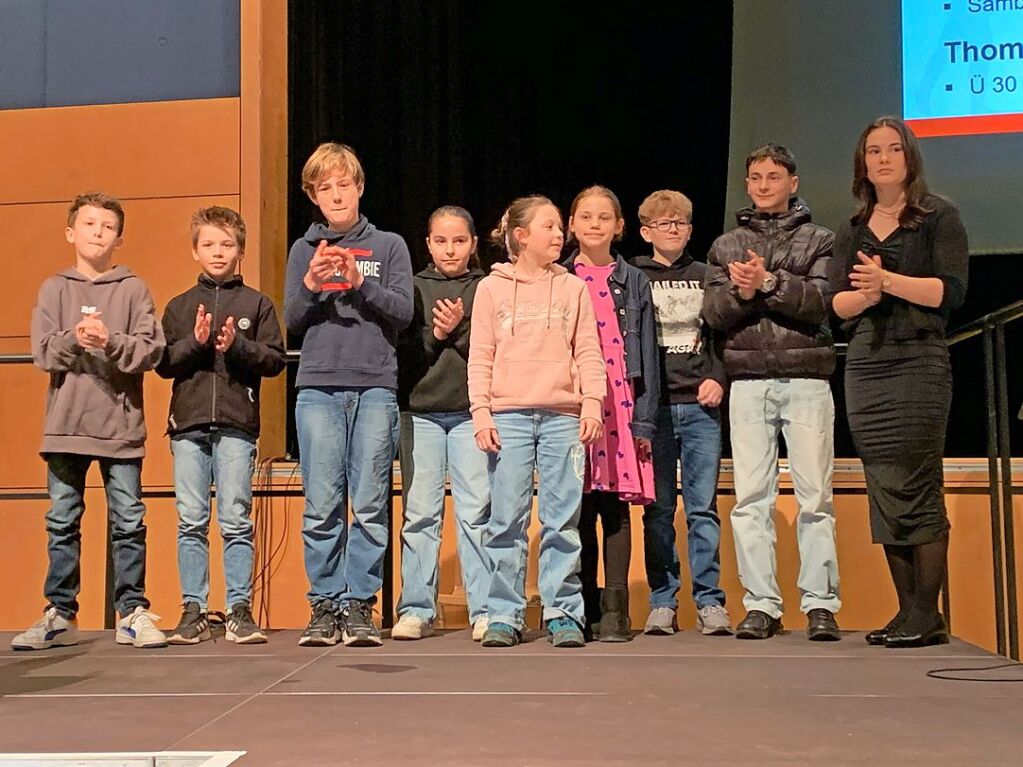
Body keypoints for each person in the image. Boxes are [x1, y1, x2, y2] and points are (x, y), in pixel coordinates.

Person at [830, 116, 968, 648]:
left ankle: (927, 613)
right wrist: (865, 296)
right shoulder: (853, 227)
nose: (883, 159)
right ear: (862, 163)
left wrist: (888, 281)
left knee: (917, 482)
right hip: (867, 365)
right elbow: (836, 306)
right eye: (873, 151)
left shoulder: (938, 217)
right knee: (884, 485)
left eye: (893, 149)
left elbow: (949, 291)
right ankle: (908, 611)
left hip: (918, 361)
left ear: (910, 157)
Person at [13, 192, 167, 650]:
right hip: (65, 426)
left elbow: (150, 351)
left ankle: (132, 610)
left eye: (106, 227)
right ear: (71, 232)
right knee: (62, 520)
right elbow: (42, 352)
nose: (97, 233)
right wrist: (76, 340)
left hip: (120, 429)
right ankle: (59, 612)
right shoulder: (54, 288)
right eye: (89, 225)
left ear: (119, 237)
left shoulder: (133, 288)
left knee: (129, 520)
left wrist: (110, 340)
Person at [704, 144, 842, 641]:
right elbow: (714, 316)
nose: (763, 186)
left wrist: (768, 281)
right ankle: (761, 605)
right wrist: (741, 292)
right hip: (747, 382)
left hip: (806, 379)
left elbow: (823, 303)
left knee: (815, 499)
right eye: (755, 178)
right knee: (750, 500)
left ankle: (821, 605)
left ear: (793, 182)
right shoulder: (725, 245)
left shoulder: (821, 239)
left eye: (773, 177)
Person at [284, 143, 413, 647]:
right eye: (325, 188)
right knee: (321, 504)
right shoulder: (303, 249)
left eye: (344, 184)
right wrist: (314, 284)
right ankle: (324, 604)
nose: (336, 194)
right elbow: (292, 320)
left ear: (359, 187)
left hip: (375, 387)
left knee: (371, 503)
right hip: (317, 387)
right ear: (314, 197)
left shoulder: (389, 245)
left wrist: (360, 283)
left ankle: (360, 603)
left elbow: (403, 313)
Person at [468, 195, 605, 648]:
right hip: (507, 416)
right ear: (521, 235)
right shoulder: (491, 288)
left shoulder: (573, 288)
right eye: (548, 226)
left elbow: (588, 350)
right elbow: (481, 356)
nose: (558, 234)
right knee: (506, 519)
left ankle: (564, 612)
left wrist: (591, 403)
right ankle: (503, 614)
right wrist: (481, 411)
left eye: (558, 227)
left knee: (562, 520)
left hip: (563, 418)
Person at [156, 206, 287, 645]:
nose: (218, 252)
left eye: (227, 245)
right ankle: (193, 608)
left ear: (241, 251)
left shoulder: (256, 303)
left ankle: (238, 609)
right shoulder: (178, 307)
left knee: (235, 519)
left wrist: (237, 345)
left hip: (236, 425)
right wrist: (195, 342)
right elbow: (164, 363)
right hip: (189, 426)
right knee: (191, 519)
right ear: (195, 251)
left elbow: (274, 361)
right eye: (209, 244)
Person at [633, 189, 731, 637]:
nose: (673, 230)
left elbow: (725, 336)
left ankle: (710, 601)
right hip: (654, 410)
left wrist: (719, 376)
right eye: (664, 223)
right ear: (646, 230)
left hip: (699, 406)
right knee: (657, 509)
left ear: (691, 229)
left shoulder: (708, 275)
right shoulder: (633, 275)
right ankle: (662, 601)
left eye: (681, 223)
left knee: (702, 509)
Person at [561, 185, 658, 642]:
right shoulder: (560, 276)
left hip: (619, 402)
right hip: (574, 399)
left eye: (605, 217)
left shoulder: (634, 279)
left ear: (619, 226)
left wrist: (643, 418)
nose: (595, 224)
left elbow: (648, 355)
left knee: (616, 507)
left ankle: (617, 610)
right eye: (586, 216)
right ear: (572, 224)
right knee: (578, 507)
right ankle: (583, 605)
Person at [394, 206, 490, 641]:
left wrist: (461, 331)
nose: (450, 249)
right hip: (422, 414)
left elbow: (495, 354)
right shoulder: (412, 288)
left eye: (459, 240)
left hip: (473, 413)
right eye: (441, 240)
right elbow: (405, 357)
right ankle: (416, 606)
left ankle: (486, 608)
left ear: (472, 244)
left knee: (476, 512)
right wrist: (436, 335)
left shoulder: (488, 288)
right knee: (419, 514)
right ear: (428, 243)